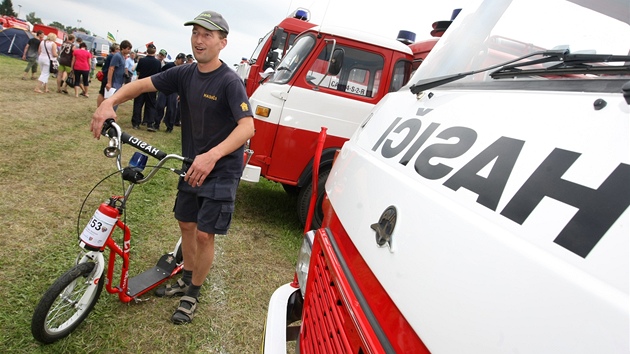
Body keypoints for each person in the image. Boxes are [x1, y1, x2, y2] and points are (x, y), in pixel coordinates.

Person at [90, 10, 255, 325]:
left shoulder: (230, 82)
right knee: (186, 225)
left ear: (223, 42)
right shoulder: (184, 73)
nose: (198, 39)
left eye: (207, 34)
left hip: (220, 168)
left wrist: (212, 156)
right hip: (192, 165)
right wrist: (108, 103)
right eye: (195, 33)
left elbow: (247, 128)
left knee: (206, 235)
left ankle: (192, 292)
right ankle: (186, 276)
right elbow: (140, 86)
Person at [153, 52, 186, 133]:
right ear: (177, 59)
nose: (182, 62)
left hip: (174, 92)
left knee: (172, 109)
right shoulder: (169, 65)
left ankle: (169, 126)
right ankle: (156, 124)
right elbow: (160, 74)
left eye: (184, 61)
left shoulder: (183, 70)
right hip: (164, 89)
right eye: (182, 60)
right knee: (160, 106)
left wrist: (180, 93)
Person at [131, 44, 161, 129]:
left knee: (138, 104)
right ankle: (149, 123)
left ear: (147, 50)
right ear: (155, 51)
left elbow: (138, 72)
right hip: (152, 85)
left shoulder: (142, 60)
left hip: (141, 84)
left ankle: (136, 123)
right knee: (151, 105)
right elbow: (159, 74)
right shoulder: (157, 62)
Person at [106, 40, 132, 110]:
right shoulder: (117, 56)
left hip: (119, 82)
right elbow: (111, 69)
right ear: (123, 48)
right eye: (128, 49)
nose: (129, 51)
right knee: (113, 102)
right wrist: (109, 82)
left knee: (116, 101)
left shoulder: (123, 57)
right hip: (115, 82)